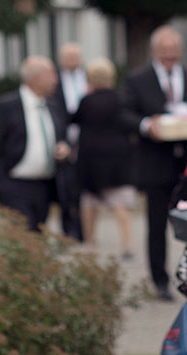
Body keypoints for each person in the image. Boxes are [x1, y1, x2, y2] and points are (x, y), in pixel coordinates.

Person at [121, 26, 187, 301]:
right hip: (155, 163)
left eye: (174, 52)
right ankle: (159, 280)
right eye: (165, 52)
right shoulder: (137, 79)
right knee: (156, 226)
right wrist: (147, 125)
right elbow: (124, 114)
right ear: (154, 52)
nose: (170, 56)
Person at [0, 56, 71, 232]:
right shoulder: (7, 106)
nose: (56, 80)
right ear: (35, 78)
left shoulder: (53, 105)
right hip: (15, 183)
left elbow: (60, 136)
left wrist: (63, 147)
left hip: (45, 184)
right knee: (24, 232)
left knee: (38, 233)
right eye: (51, 74)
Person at [73, 58, 137, 258]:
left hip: (91, 158)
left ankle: (90, 242)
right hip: (117, 157)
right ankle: (127, 244)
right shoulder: (120, 99)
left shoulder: (86, 101)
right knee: (120, 203)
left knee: (90, 203)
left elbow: (74, 120)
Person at [53, 42, 85, 240]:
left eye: (74, 57)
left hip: (85, 140)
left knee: (82, 187)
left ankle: (83, 230)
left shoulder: (87, 78)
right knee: (65, 187)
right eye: (68, 57)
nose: (71, 61)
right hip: (64, 139)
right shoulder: (55, 81)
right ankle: (68, 228)